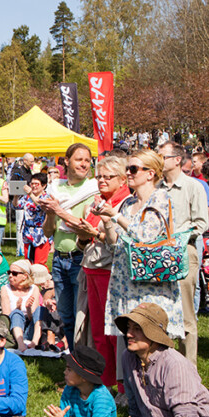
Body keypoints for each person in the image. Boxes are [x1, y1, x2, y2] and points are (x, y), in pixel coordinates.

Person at [95, 150, 185, 365]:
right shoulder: (128, 203)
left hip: (151, 281)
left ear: (150, 173)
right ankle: (130, 389)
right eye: (128, 169)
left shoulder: (161, 198)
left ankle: (157, 386)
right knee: (131, 336)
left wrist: (115, 215)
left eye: (133, 169)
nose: (128, 173)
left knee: (151, 337)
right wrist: (107, 220)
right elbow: (115, 242)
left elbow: (145, 236)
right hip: (127, 281)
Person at [71, 153, 131, 388]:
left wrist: (95, 233)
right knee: (97, 331)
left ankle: (124, 385)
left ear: (122, 180)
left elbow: (118, 240)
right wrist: (83, 235)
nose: (102, 181)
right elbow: (86, 241)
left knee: (114, 332)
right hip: (91, 269)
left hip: (111, 271)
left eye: (108, 177)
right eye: (99, 177)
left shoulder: (125, 203)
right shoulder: (96, 202)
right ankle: (105, 383)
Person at [157, 142, 209, 365]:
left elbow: (201, 223)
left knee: (185, 313)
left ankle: (189, 369)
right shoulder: (155, 187)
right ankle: (165, 367)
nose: (159, 161)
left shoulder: (193, 186)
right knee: (161, 314)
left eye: (163, 157)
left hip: (183, 253)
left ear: (177, 160)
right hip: (156, 256)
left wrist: (176, 238)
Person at [41, 143, 97, 349]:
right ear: (66, 161)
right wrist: (49, 214)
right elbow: (48, 231)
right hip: (59, 259)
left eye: (87, 160)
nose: (84, 164)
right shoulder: (56, 188)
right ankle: (74, 360)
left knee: (81, 314)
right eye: (79, 159)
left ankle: (83, 362)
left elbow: (87, 225)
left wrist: (59, 210)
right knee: (66, 315)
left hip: (81, 257)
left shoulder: (92, 189)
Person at [28, 345, 121, 417]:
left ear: (83, 377)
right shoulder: (70, 389)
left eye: (69, 369)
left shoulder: (102, 398)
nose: (64, 372)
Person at [1, 259, 41, 352]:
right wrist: (17, 308)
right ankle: (20, 344)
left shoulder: (34, 288)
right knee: (16, 313)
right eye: (9, 272)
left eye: (14, 273)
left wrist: (28, 309)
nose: (10, 275)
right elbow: (6, 316)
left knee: (40, 310)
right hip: (14, 329)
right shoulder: (5, 289)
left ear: (24, 276)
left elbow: (33, 318)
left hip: (30, 328)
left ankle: (35, 341)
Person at [16, 173, 51, 265]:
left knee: (39, 263)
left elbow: (41, 206)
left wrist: (31, 194)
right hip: (27, 232)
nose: (34, 186)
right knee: (28, 262)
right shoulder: (27, 197)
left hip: (41, 233)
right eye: (32, 184)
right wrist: (15, 195)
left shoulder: (47, 198)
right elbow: (17, 206)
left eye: (37, 184)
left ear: (44, 186)